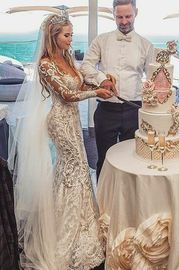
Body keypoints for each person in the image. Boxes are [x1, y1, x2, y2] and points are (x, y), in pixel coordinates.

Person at [7, 13, 114, 270]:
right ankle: (65, 233)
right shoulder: (45, 64)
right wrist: (96, 93)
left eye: (71, 35)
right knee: (73, 169)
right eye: (67, 35)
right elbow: (66, 95)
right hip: (58, 121)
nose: (70, 39)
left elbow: (80, 79)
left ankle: (81, 224)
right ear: (53, 36)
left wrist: (102, 80)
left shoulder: (67, 58)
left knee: (75, 170)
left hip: (73, 121)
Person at [80, 0, 154, 179]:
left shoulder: (146, 45)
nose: (124, 21)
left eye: (128, 16)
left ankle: (128, 203)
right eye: (119, 16)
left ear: (136, 13)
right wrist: (101, 78)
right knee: (104, 159)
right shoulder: (101, 40)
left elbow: (152, 77)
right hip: (106, 109)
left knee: (131, 160)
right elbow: (85, 67)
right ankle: (104, 204)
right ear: (113, 15)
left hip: (134, 108)